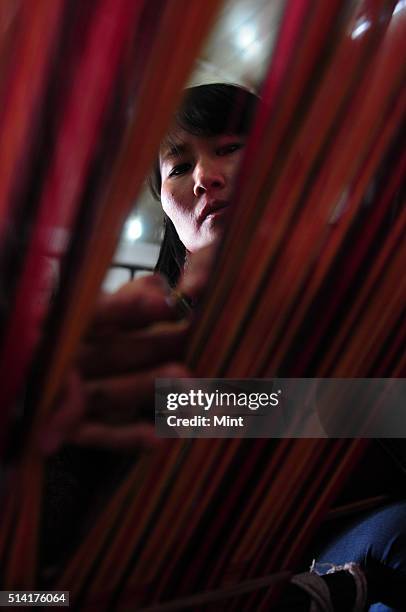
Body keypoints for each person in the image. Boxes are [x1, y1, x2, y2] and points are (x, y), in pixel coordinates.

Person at [43, 83, 405, 609]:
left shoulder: (361, 287)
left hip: (342, 542)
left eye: (231, 149)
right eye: (177, 167)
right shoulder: (146, 341)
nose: (205, 178)